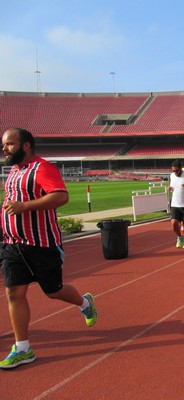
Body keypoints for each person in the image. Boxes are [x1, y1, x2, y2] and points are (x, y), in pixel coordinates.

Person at [0, 128, 97, 369]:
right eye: (4, 145)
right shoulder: (13, 171)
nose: (5, 149)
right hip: (13, 244)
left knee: (53, 291)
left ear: (26, 146)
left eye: (10, 144)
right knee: (14, 293)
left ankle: (84, 303)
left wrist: (24, 206)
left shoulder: (42, 168)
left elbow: (61, 196)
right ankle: (23, 348)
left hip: (42, 245)